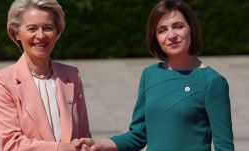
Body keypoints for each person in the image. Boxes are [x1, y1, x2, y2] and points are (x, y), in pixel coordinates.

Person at [76, 0, 234, 150]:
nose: (171, 35)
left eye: (178, 26)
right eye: (162, 30)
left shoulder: (212, 82)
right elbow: (138, 135)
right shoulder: (150, 74)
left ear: (191, 28)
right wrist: (99, 144)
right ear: (156, 37)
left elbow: (224, 147)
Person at [0, 0, 91, 150]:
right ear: (16, 33)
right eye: (32, 28)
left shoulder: (72, 75)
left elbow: (84, 135)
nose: (41, 35)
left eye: (48, 28)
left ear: (57, 32)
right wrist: (60, 148)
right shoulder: (2, 81)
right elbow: (11, 143)